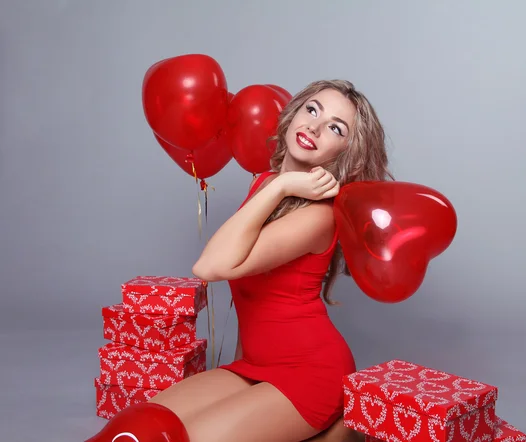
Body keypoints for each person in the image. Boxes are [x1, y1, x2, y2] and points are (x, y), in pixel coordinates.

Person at [86, 79, 393, 442]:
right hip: (253, 367)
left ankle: (335, 426)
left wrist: (282, 185)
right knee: (139, 426)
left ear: (347, 153)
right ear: (294, 113)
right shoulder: (263, 182)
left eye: (335, 128)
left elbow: (211, 267)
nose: (314, 126)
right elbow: (250, 296)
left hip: (310, 374)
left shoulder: (319, 217)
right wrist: (235, 382)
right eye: (312, 110)